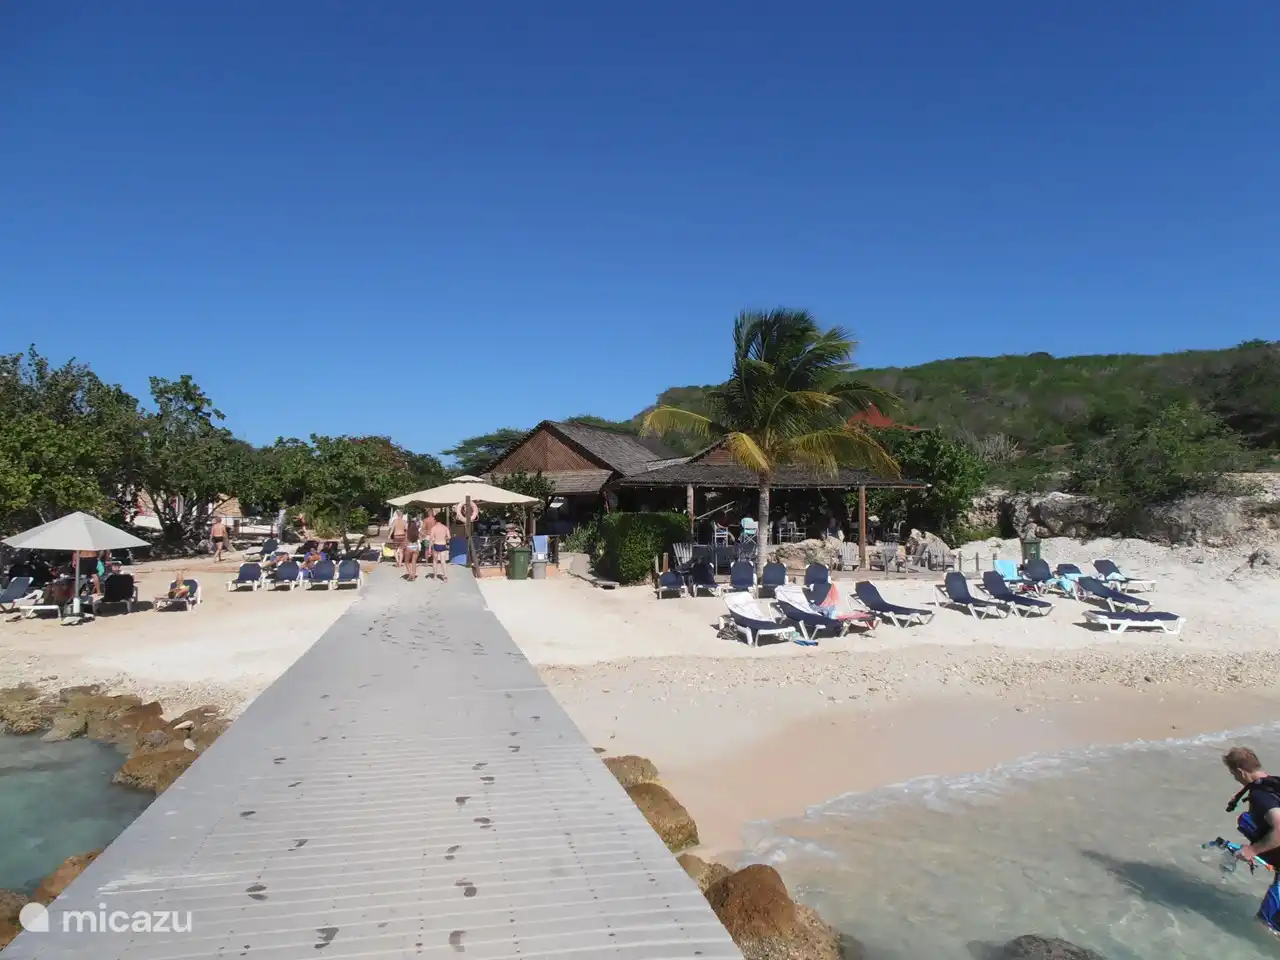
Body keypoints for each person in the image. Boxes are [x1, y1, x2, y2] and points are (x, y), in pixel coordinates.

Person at [1222, 747, 1280, 935]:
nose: (1235, 779)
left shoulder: (1262, 795)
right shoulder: (1275, 785)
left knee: (1265, 927)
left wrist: (1252, 850)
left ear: (1240, 771)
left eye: (1233, 775)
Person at [428, 514, 450, 582]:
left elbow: (431, 539)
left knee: (435, 561)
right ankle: (445, 576)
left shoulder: (433, 528)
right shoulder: (445, 527)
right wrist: (444, 538)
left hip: (436, 545)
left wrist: (429, 548)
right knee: (443, 562)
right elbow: (449, 537)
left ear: (436, 520)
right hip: (443, 545)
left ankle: (435, 576)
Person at [404, 515, 422, 581]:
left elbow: (406, 539)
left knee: (407, 562)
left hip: (409, 546)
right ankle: (413, 576)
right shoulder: (416, 531)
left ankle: (410, 574)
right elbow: (420, 538)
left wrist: (404, 546)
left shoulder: (408, 531)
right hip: (416, 546)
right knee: (414, 562)